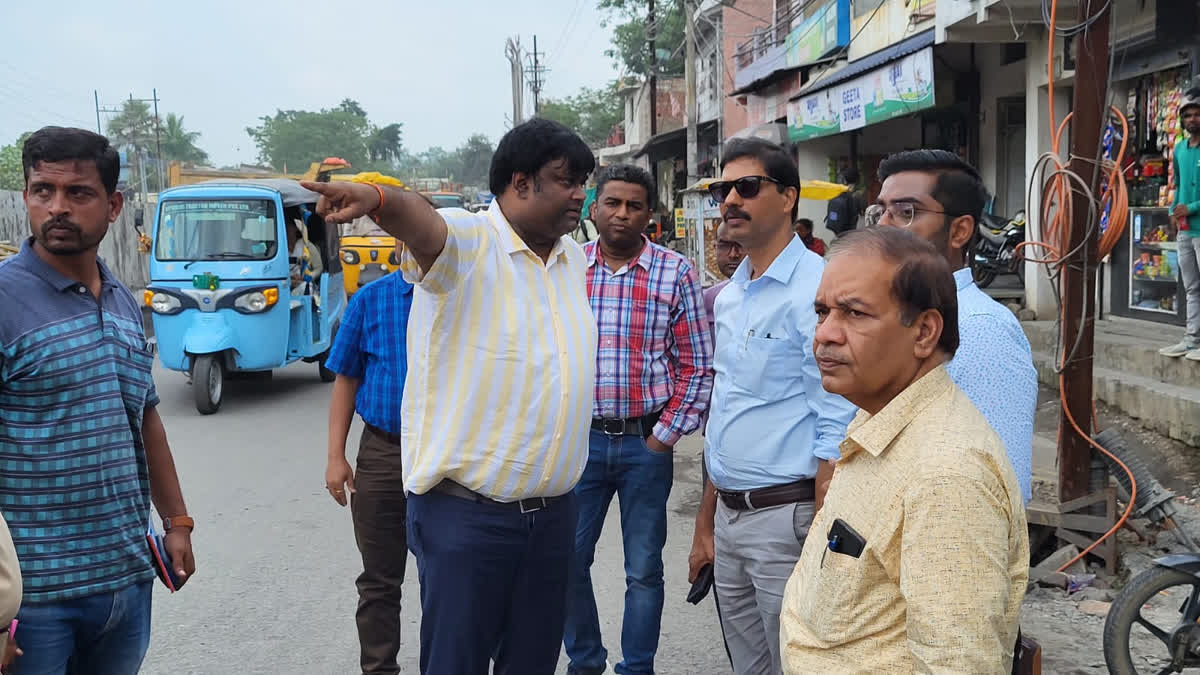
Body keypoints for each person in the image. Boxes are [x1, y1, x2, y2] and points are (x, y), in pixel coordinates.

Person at [302, 117, 597, 675]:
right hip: (470, 520)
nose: (580, 193)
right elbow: (423, 223)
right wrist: (377, 198)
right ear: (519, 182)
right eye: (565, 179)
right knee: (456, 663)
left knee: (532, 662)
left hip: (554, 518)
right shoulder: (468, 242)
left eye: (584, 179)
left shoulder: (571, 261)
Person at [780, 227, 1029, 673]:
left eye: (854, 313)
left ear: (925, 332)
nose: (825, 334)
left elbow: (958, 665)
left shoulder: (947, 476)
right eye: (822, 312)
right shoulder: (878, 412)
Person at [0, 127, 196, 674]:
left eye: (77, 193)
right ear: (26, 198)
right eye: (43, 190)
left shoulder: (122, 301)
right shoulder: (4, 300)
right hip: (34, 601)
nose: (57, 207)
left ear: (112, 206)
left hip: (127, 583)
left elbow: (146, 416)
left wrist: (176, 520)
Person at [688, 138, 857, 675]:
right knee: (750, 666)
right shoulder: (732, 294)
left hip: (787, 519)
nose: (730, 200)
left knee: (800, 661)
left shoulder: (817, 291)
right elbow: (729, 413)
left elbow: (835, 414)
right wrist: (706, 523)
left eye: (747, 187)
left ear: (788, 198)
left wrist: (821, 525)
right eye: (723, 189)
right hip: (733, 517)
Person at [564, 165, 714, 675]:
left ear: (650, 213)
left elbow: (698, 364)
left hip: (643, 444)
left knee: (644, 571)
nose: (622, 214)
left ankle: (636, 667)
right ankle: (585, 661)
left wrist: (663, 437)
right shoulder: (567, 268)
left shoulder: (676, 273)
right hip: (578, 444)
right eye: (612, 203)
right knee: (566, 561)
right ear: (594, 207)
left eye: (633, 205)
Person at [867, 149, 1036, 503]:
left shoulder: (979, 329)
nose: (884, 225)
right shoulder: (897, 316)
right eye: (880, 211)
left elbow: (999, 489)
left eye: (905, 212)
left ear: (959, 231)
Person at [323, 268, 414, 675]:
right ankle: (379, 669)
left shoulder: (460, 296)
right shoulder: (371, 300)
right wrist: (335, 456)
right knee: (379, 578)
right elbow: (346, 376)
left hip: (448, 458)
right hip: (383, 453)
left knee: (448, 576)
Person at [1160, 88, 1200, 359]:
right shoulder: (1180, 150)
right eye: (1188, 115)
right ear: (1182, 120)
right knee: (1191, 287)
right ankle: (1191, 339)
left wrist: (1193, 207)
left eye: (1198, 115)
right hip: (1185, 230)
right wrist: (1174, 210)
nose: (1193, 120)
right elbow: (1178, 185)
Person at [703, 223, 746, 336]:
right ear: (715, 247)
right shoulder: (706, 300)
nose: (733, 254)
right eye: (725, 246)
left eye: (741, 244)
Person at [286, 212, 323, 294]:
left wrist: (308, 277)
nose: (287, 231)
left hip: (304, 284)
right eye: (285, 228)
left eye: (289, 228)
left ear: (295, 229)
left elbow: (319, 268)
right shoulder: (277, 249)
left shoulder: (307, 246)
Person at [823, 167, 866, 238]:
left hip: (838, 230)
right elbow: (863, 212)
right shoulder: (858, 194)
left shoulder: (839, 192)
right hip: (851, 232)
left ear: (845, 179)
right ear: (858, 179)